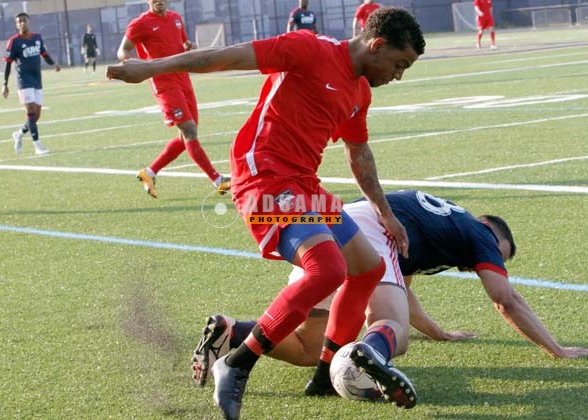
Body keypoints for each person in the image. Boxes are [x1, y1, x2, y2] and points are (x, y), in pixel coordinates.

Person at [108, 7, 425, 418]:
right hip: (262, 180)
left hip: (304, 189)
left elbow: (359, 153)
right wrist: (149, 68)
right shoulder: (309, 50)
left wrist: (385, 212)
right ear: (377, 45)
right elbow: (225, 56)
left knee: (366, 268)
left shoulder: (360, 92)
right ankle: (237, 363)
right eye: (400, 64)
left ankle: (325, 374)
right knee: (327, 270)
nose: (398, 75)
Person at [192, 190, 588, 388]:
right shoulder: (477, 233)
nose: (489, 263)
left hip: (334, 226)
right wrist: (556, 349)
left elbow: (403, 290)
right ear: (490, 231)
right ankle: (362, 360)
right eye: (500, 254)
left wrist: (437, 331)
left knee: (310, 349)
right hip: (367, 234)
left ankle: (233, 333)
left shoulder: (440, 227)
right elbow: (506, 299)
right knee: (393, 333)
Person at [116, 0, 230, 198]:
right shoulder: (139, 24)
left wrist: (190, 46)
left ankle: (149, 172)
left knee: (186, 136)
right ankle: (218, 180)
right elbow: (122, 51)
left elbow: (184, 45)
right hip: (163, 83)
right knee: (189, 131)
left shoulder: (176, 18)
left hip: (183, 79)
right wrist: (134, 65)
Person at [3, 12, 61, 155]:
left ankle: (19, 134)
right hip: (23, 81)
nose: (22, 23)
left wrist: (53, 64)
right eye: (19, 22)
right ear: (17, 25)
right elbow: (8, 63)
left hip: (37, 80)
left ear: (29, 22)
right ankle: (37, 145)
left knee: (36, 115)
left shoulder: (37, 38)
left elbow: (44, 54)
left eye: (24, 20)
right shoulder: (14, 41)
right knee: (30, 112)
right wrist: (5, 84)